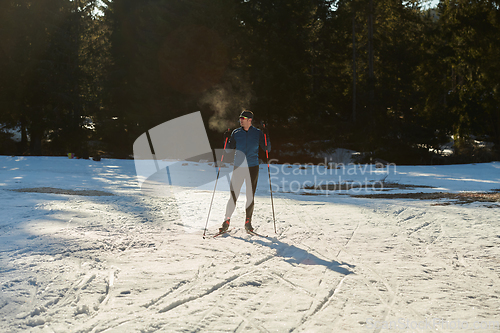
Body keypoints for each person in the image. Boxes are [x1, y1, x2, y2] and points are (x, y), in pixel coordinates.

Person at [219, 110, 270, 233]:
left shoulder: (257, 133)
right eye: (240, 118)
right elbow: (228, 150)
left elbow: (267, 148)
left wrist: (266, 135)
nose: (241, 120)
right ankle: (226, 221)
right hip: (239, 167)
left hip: (252, 167)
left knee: (250, 196)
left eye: (243, 118)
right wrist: (226, 138)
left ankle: (248, 222)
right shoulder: (236, 133)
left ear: (250, 120)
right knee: (233, 195)